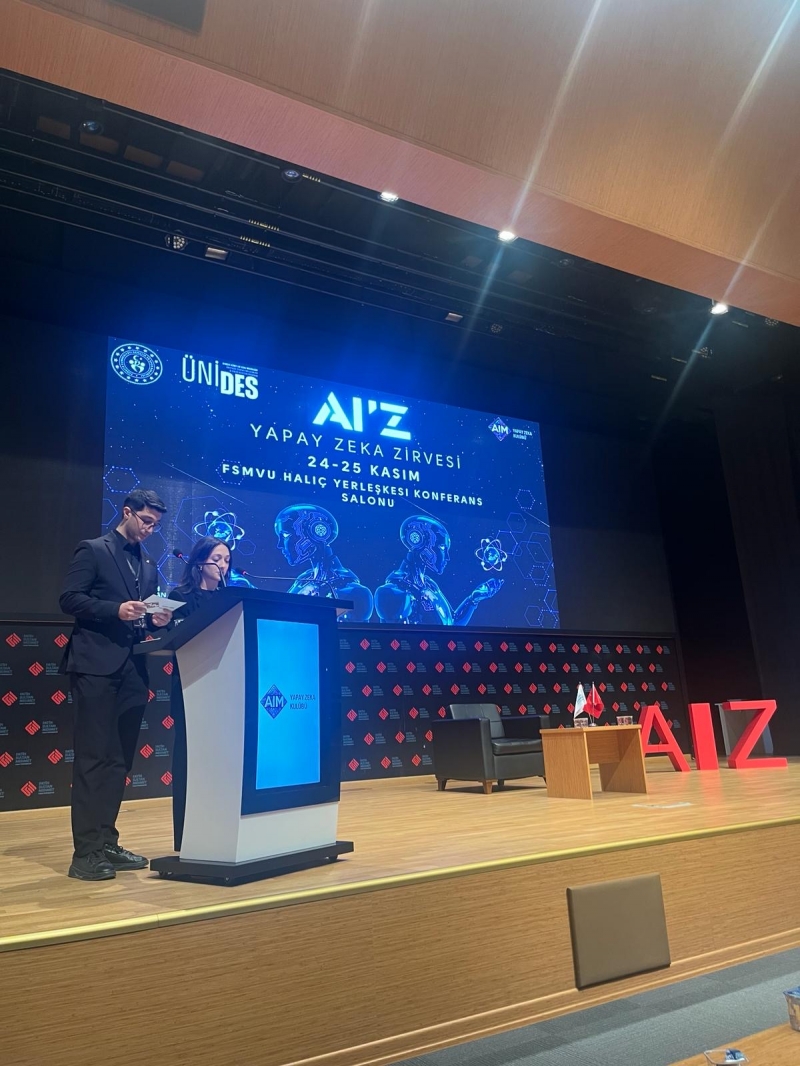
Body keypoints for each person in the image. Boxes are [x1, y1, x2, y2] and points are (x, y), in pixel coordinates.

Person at [60, 489, 173, 881]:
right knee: (93, 758)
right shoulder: (93, 549)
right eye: (146, 521)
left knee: (118, 760)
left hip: (132, 670)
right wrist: (115, 610)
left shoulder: (149, 563)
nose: (150, 529)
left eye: (156, 525)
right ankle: (85, 853)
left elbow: (142, 614)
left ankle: (107, 841)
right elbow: (69, 599)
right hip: (95, 666)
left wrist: (155, 619)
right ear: (127, 512)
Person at [170, 536, 231, 850]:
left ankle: (223, 831)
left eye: (227, 560)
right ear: (199, 561)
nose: (223, 566)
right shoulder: (179, 596)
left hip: (228, 688)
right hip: (192, 686)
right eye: (217, 559)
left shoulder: (230, 598)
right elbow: (178, 639)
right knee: (191, 760)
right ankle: (188, 837)